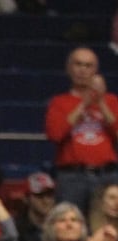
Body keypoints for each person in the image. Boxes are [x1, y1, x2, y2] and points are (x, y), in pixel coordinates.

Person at [45, 48, 118, 215]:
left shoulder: (112, 101)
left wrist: (101, 103)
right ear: (69, 68)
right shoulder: (59, 102)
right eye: (78, 64)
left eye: (88, 65)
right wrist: (83, 104)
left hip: (107, 175)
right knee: (69, 223)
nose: (83, 70)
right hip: (72, 177)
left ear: (95, 70)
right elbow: (55, 134)